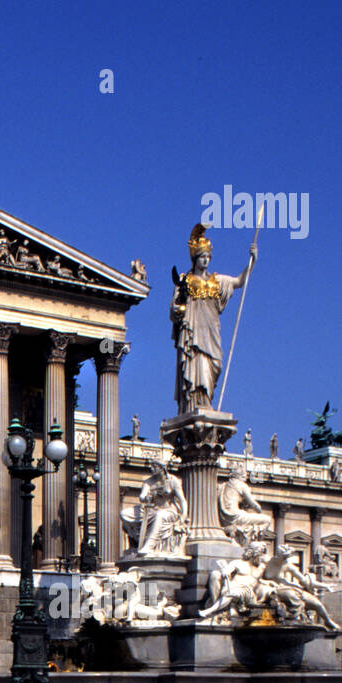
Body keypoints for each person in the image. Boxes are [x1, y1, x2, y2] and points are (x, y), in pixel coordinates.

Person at [171, 224, 256, 413]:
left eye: (209, 257)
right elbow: (173, 308)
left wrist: (251, 262)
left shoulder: (216, 282)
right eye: (203, 256)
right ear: (195, 258)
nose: (206, 260)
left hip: (211, 332)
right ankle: (194, 403)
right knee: (196, 366)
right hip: (192, 333)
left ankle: (206, 401)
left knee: (215, 363)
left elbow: (238, 281)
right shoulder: (185, 281)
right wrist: (179, 310)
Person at [120, 460, 188, 556]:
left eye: (154, 466)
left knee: (159, 515)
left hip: (168, 511)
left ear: (162, 468)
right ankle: (136, 541)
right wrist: (146, 497)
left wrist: (183, 516)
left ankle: (149, 546)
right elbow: (142, 496)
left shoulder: (173, 481)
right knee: (124, 513)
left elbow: (182, 500)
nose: (152, 469)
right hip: (151, 509)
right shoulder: (149, 481)